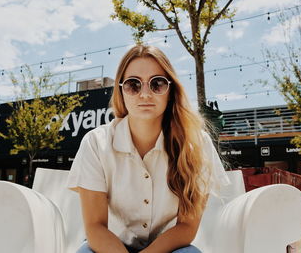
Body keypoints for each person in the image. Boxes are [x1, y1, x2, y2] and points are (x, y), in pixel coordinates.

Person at [66, 45, 231, 253]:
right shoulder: (95, 143)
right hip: (109, 246)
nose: (145, 94)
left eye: (157, 84)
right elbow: (95, 226)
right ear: (121, 91)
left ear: (170, 91)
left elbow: (187, 227)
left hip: (168, 249)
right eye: (133, 85)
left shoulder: (197, 144)